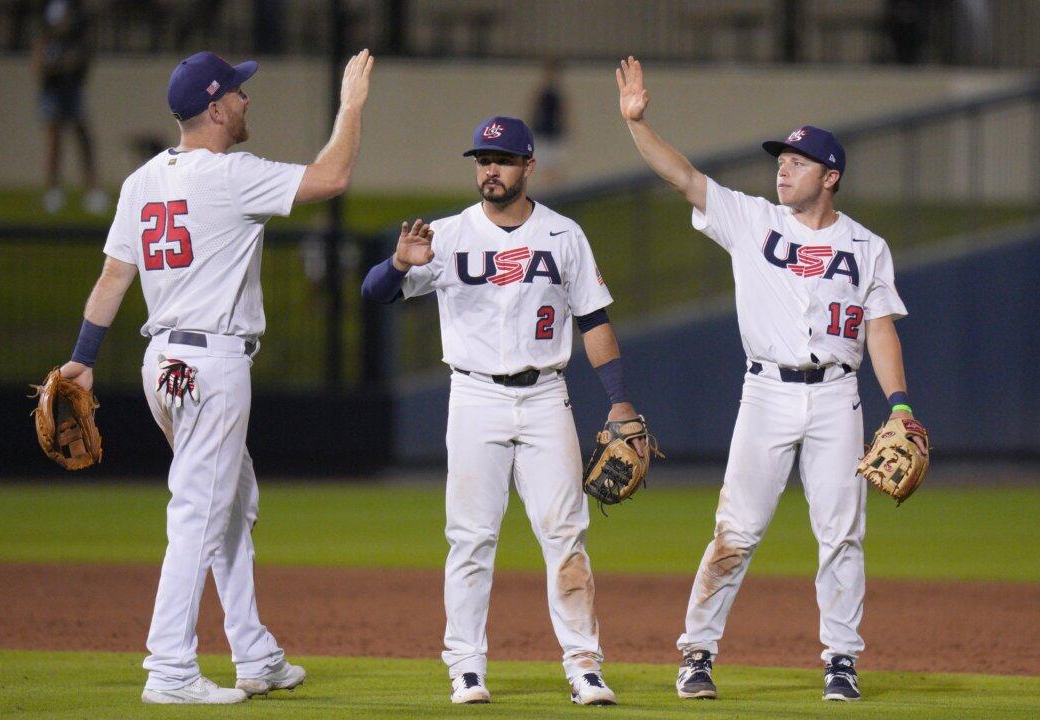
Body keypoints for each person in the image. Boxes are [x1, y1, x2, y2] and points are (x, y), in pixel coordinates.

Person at [57, 48, 375, 704]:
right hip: (211, 364)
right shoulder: (230, 176)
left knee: (229, 506)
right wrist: (351, 104)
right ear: (214, 105)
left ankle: (255, 654)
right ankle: (169, 669)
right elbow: (333, 177)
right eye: (238, 92)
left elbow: (116, 277)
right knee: (199, 512)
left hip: (163, 366)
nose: (246, 100)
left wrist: (85, 357)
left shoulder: (143, 180)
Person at [616, 56, 925, 702]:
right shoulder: (753, 220)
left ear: (830, 175)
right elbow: (684, 178)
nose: (782, 166)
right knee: (737, 528)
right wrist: (638, 125)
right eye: (780, 158)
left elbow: (880, 330)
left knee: (842, 532)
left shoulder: (866, 247)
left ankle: (841, 660)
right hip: (765, 393)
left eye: (797, 160)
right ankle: (696, 653)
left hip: (838, 396)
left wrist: (897, 406)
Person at [361, 116, 647, 706]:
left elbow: (593, 319)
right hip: (474, 397)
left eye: (502, 159)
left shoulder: (564, 235)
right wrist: (398, 264)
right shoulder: (447, 234)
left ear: (528, 167)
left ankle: (584, 665)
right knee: (470, 537)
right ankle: (466, 666)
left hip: (546, 396)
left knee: (566, 535)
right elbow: (374, 295)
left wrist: (619, 398)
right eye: (481, 159)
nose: (489, 169)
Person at [32, 0, 106, 214]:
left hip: (72, 91)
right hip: (53, 93)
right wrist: (59, 66)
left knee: (83, 139)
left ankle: (92, 189)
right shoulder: (46, 41)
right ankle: (53, 191)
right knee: (53, 142)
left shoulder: (76, 39)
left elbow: (84, 62)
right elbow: (38, 67)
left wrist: (71, 65)